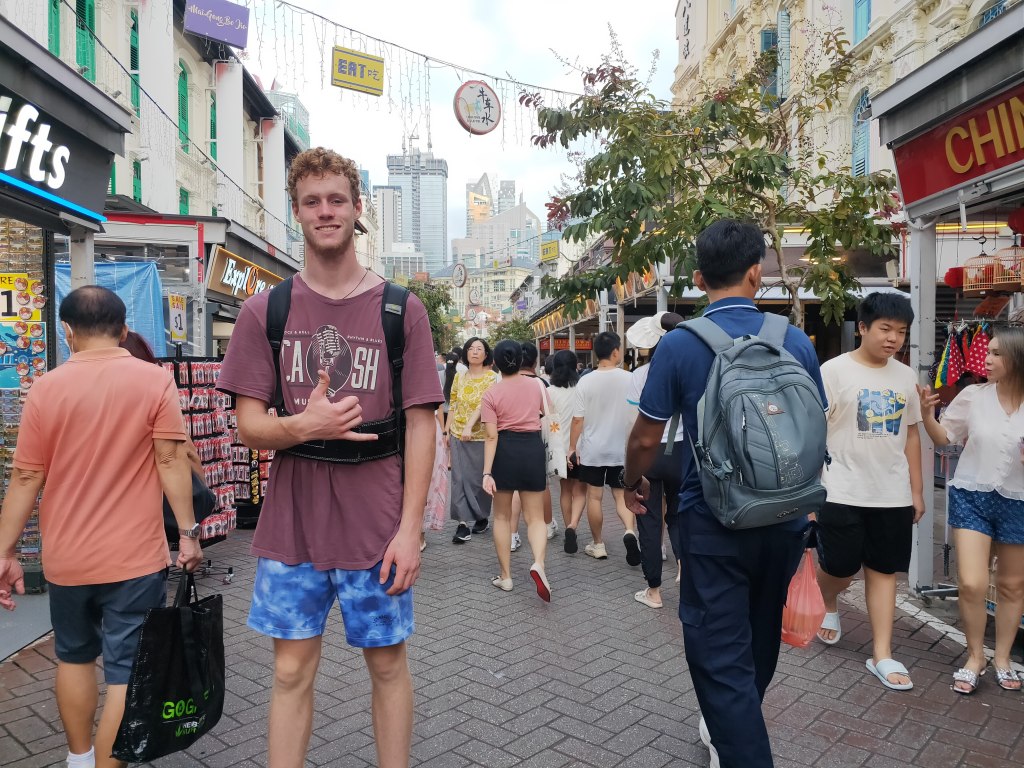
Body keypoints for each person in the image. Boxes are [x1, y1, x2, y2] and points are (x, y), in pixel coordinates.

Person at [215, 147, 441, 768]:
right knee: (290, 671)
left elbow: (422, 424)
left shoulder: (401, 310)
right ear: (296, 212)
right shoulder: (266, 311)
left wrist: (411, 531)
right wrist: (302, 425)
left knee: (388, 665)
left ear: (357, 207)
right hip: (293, 524)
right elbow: (249, 427)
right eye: (311, 201)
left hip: (378, 525)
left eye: (336, 199)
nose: (325, 211)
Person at [623, 219, 826, 768]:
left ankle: (735, 739)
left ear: (697, 278)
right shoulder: (795, 340)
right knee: (759, 636)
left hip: (713, 519)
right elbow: (815, 428)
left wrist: (632, 480)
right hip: (785, 517)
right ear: (757, 273)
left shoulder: (680, 345)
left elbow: (645, 437)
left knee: (716, 651)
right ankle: (729, 726)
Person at [0, 286, 201, 768]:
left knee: (73, 656)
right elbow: (171, 461)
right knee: (126, 671)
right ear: (124, 329)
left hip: (67, 556)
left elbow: (26, 477)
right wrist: (189, 535)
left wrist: (5, 551)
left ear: (67, 331)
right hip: (135, 557)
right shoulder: (154, 381)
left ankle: (78, 758)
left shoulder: (46, 388)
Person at [814, 292, 924, 692]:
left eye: (902, 332)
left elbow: (911, 435)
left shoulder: (906, 376)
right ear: (862, 327)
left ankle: (882, 653)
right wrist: (808, 491)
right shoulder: (832, 372)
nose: (893, 338)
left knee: (883, 570)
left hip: (891, 493)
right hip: (840, 488)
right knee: (840, 569)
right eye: (885, 329)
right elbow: (814, 432)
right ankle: (827, 599)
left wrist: (917, 490)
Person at [918, 327, 1024, 694]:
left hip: (1019, 501)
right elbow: (944, 438)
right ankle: (975, 656)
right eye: (988, 352)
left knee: (1012, 585)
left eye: (996, 353)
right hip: (972, 494)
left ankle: (1003, 658)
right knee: (972, 582)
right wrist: (927, 416)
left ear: (1017, 359)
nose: (986, 360)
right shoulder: (973, 396)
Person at [480, 340, 553, 600]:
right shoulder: (537, 385)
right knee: (535, 518)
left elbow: (491, 436)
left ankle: (506, 576)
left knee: (501, 517)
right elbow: (549, 413)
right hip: (532, 448)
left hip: (505, 451)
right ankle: (539, 563)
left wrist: (487, 472)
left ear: (495, 363)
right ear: (522, 360)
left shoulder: (491, 393)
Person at [625, 312, 686, 609]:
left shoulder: (640, 375)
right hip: (683, 451)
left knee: (648, 520)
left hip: (649, 454)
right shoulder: (690, 369)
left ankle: (654, 591)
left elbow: (634, 423)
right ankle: (684, 569)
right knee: (680, 516)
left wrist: (629, 466)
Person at [567, 331, 638, 564]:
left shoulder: (585, 381)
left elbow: (578, 419)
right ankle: (629, 531)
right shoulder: (630, 378)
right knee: (621, 495)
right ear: (616, 351)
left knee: (594, 497)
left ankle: (597, 544)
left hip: (593, 450)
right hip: (621, 449)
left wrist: (572, 447)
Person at [446, 337, 497, 543]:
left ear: (486, 354)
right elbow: (453, 403)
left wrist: (469, 426)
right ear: (466, 353)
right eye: (471, 348)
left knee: (478, 480)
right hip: (458, 433)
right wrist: (446, 431)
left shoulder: (492, 378)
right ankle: (462, 524)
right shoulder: (459, 376)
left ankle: (481, 517)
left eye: (479, 349)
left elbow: (484, 404)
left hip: (481, 437)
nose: (475, 352)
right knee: (459, 479)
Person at [510, 341, 557, 546]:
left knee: (513, 488)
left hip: (508, 440)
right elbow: (549, 413)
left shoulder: (505, 381)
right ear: (535, 362)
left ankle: (512, 534)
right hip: (534, 439)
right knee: (541, 485)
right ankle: (546, 525)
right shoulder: (540, 384)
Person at [548, 350, 588, 553]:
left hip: (559, 449)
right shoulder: (582, 389)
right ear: (576, 366)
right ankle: (573, 525)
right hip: (581, 449)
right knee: (580, 491)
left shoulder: (550, 391)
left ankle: (567, 529)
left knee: (565, 490)